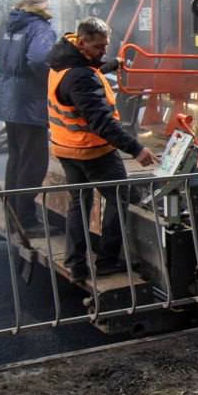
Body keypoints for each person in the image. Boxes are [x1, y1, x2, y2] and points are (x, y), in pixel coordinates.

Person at [46, 17, 157, 281]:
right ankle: (107, 261)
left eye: (106, 46)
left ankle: (77, 265)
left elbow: (89, 69)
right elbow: (101, 122)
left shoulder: (62, 62)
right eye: (98, 47)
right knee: (119, 199)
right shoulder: (80, 77)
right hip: (93, 152)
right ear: (82, 43)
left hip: (66, 149)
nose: (103, 52)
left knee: (79, 204)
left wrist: (112, 65)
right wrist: (136, 149)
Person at [0, 0, 57, 234]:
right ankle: (26, 221)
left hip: (9, 99)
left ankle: (12, 216)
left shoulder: (12, 26)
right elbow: (39, 59)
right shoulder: (40, 28)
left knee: (16, 160)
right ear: (43, 5)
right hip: (30, 101)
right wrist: (52, 83)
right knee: (33, 163)